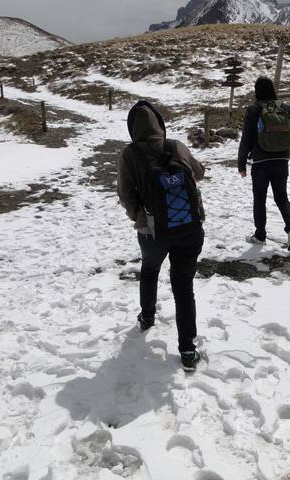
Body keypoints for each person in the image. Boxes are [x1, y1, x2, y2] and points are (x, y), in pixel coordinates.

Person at [118, 100, 205, 371]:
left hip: (153, 232)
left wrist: (140, 218)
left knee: (150, 270)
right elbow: (199, 173)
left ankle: (147, 317)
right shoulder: (175, 146)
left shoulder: (129, 154)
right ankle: (188, 349)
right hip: (189, 227)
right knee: (183, 287)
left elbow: (125, 194)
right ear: (159, 123)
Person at [238, 76, 290, 249]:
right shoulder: (285, 108)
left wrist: (241, 163)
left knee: (260, 199)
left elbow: (246, 139)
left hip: (261, 161)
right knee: (282, 196)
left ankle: (260, 235)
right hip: (281, 159)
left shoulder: (254, 109)